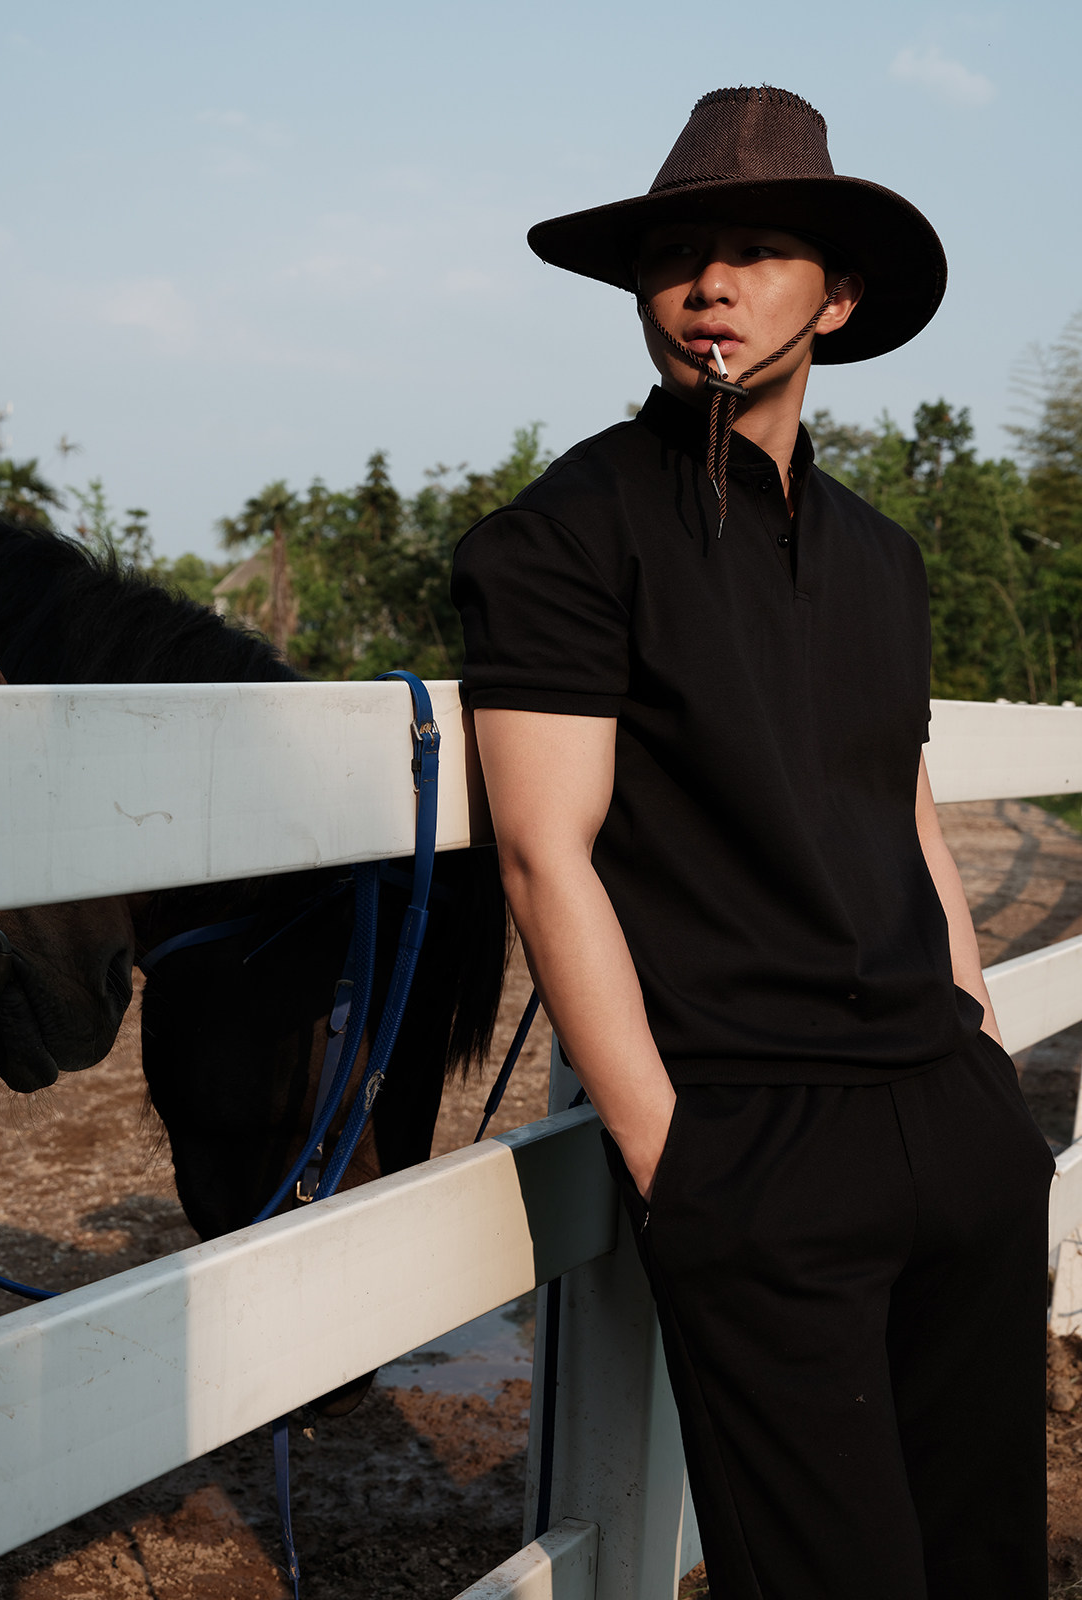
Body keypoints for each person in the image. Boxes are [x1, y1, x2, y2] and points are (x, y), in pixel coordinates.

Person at [451, 86, 1054, 1599]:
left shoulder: (883, 555)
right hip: (756, 1140)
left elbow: (898, 806)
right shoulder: (562, 535)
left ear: (835, 300)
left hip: (953, 1119)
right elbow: (543, 856)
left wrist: (978, 1042)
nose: (707, 284)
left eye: (757, 251)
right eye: (677, 255)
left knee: (983, 1561)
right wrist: (680, 1159)